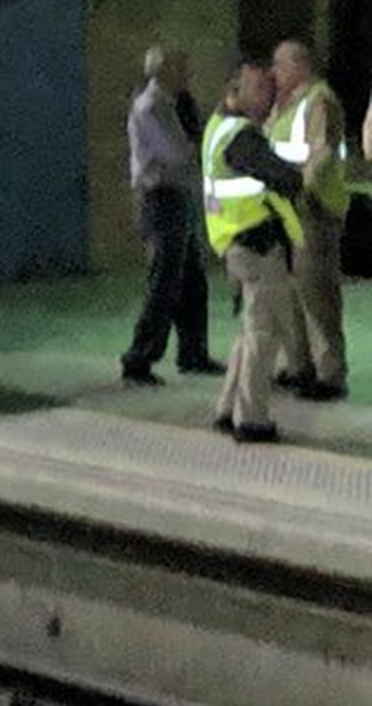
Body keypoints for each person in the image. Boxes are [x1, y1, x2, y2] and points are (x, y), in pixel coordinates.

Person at [203, 62, 305, 442]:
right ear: (237, 90)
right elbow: (283, 176)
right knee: (266, 331)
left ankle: (227, 408)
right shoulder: (241, 135)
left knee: (251, 329)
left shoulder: (217, 126)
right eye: (260, 89)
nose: (268, 97)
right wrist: (296, 176)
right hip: (256, 245)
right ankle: (253, 419)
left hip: (235, 243)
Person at [121, 47, 221, 385]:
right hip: (160, 199)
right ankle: (139, 358)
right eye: (181, 68)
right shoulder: (150, 107)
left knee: (192, 278)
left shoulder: (174, 104)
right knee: (164, 281)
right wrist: (197, 147)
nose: (186, 75)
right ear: (164, 71)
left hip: (178, 197)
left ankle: (193, 352)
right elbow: (176, 152)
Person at [267, 40, 349, 401]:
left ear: (299, 65)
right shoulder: (285, 104)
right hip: (287, 211)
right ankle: (298, 364)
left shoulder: (319, 100)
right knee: (292, 291)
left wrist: (300, 189)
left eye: (280, 65)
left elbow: (322, 152)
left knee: (316, 292)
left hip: (312, 210)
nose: (274, 73)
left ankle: (330, 373)